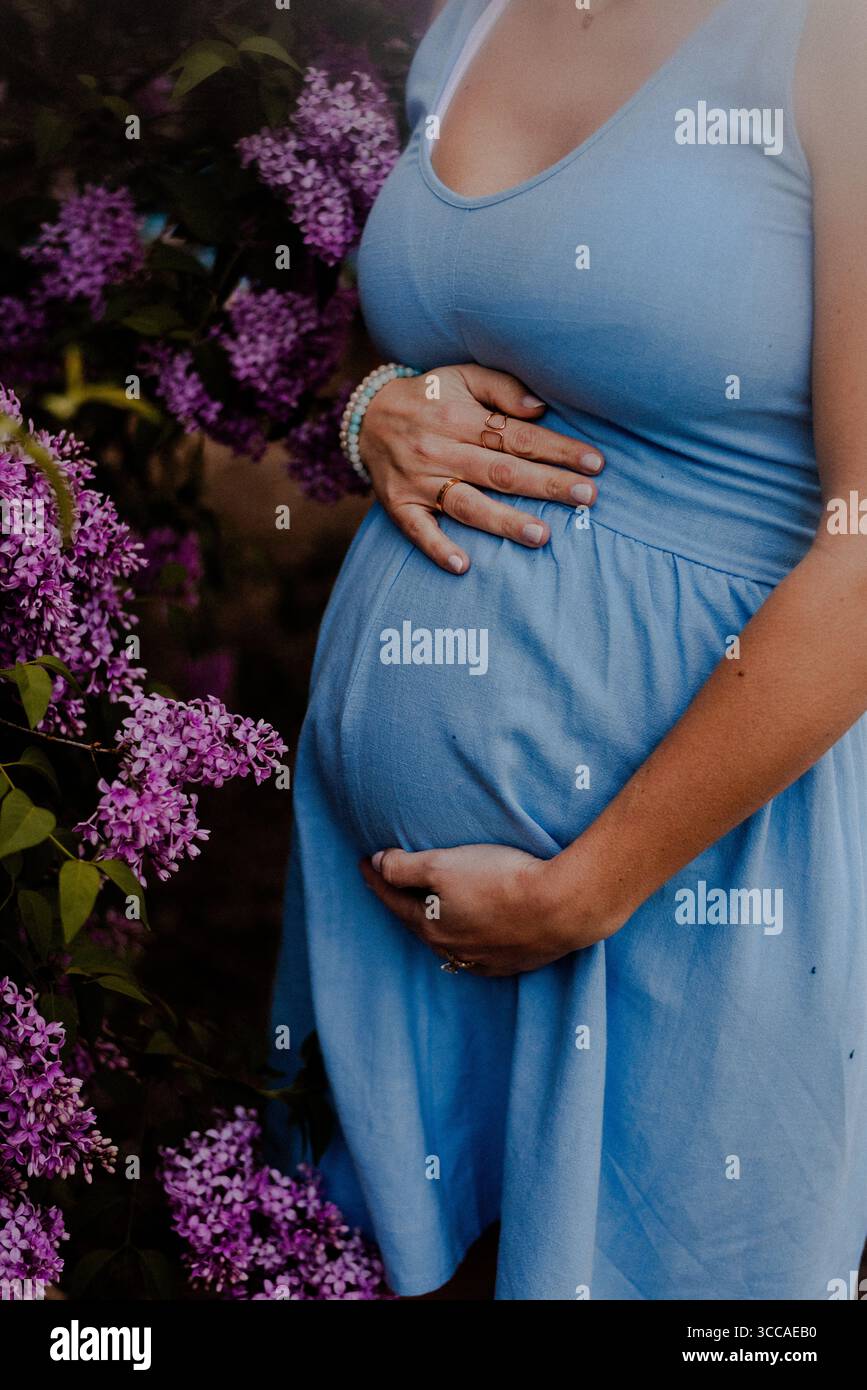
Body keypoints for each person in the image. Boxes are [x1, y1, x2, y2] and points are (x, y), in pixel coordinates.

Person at [269, 0, 867, 1299]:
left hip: (686, 896)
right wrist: (374, 407)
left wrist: (584, 887)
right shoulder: (473, 18)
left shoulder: (835, 35)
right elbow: (439, 328)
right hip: (396, 931)